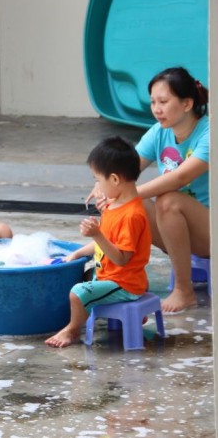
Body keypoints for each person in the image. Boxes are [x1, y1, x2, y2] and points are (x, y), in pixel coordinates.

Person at [88, 67, 209, 314]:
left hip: (210, 229)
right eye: (153, 101)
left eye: (164, 101)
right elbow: (125, 169)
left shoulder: (210, 132)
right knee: (135, 205)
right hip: (177, 229)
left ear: (187, 104)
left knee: (166, 200)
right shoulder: (159, 132)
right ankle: (121, 279)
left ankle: (185, 291)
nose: (156, 108)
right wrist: (104, 186)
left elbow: (181, 176)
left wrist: (125, 194)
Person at [45, 136, 152, 348]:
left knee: (78, 293)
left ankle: (72, 330)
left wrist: (97, 234)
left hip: (124, 283)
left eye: (97, 180)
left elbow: (121, 258)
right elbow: (105, 245)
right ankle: (132, 316)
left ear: (114, 179)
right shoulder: (114, 205)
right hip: (111, 275)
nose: (97, 186)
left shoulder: (131, 215)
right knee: (82, 275)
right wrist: (77, 254)